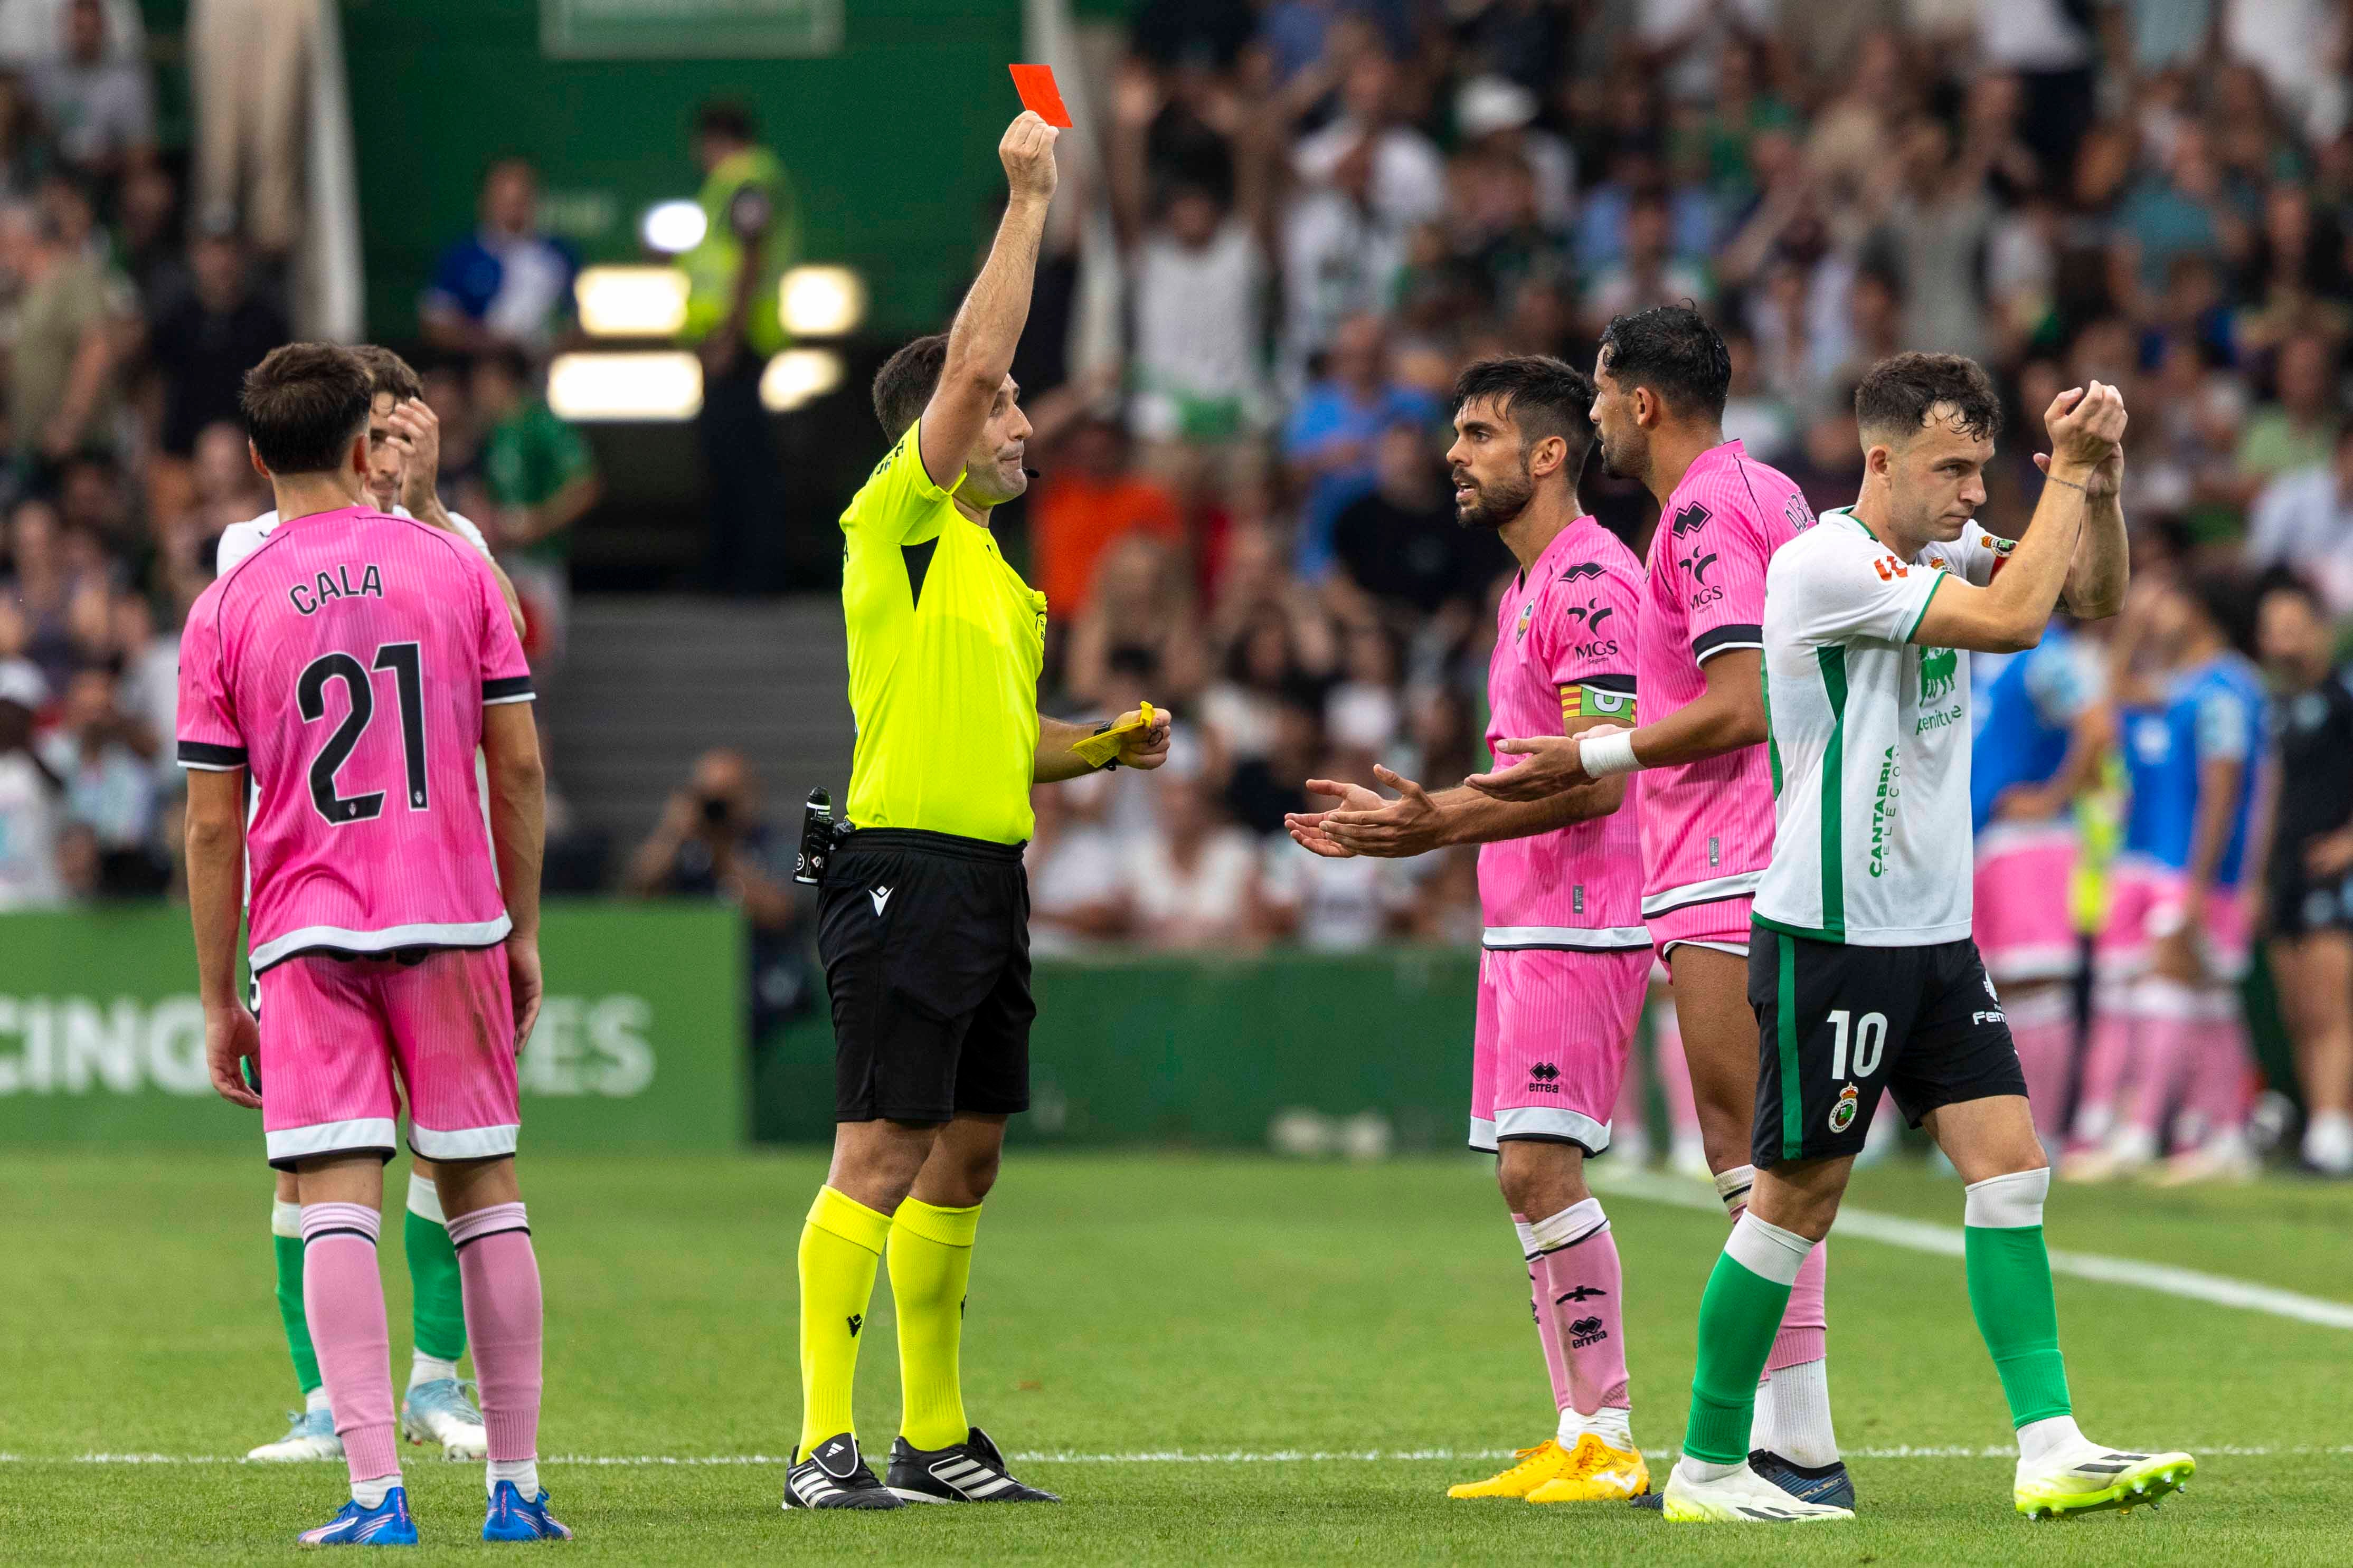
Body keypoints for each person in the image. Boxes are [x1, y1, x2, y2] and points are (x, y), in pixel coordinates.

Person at [1659, 356, 2186, 1524]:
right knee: (1792, 1203)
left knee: (2009, 1172)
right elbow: (2010, 622)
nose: (1967, 492)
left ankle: (2047, 1443)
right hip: (1832, 931)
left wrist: (2091, 490)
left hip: (1933, 935)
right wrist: (2071, 483)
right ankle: (1704, 1465)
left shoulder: (1943, 549)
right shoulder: (1823, 565)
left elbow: (2087, 597)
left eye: (1982, 470)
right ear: (1879, 457)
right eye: (1949, 469)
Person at [786, 111, 1171, 1512]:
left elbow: (1001, 748)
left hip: (982, 875)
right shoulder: (900, 517)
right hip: (899, 871)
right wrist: (1029, 202)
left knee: (965, 1154)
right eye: (1006, 408)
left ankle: (932, 1437)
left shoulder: (1002, 584)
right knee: (880, 1151)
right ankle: (822, 1443)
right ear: (941, 431)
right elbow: (973, 361)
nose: (1021, 421)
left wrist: (1102, 748)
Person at [178, 342, 566, 1543]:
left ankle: (372, 1493)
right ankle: (516, 1487)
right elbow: (518, 763)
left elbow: (208, 819)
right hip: (451, 914)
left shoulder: (227, 597)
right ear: (366, 445)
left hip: (304, 932)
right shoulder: (454, 568)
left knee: (335, 1197)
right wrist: (522, 928)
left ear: (255, 455)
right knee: (483, 1193)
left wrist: (215, 996)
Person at [1462, 306, 1849, 1509]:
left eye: (1596, 396)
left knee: (1757, 1161)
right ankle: (1788, 1441)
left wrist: (1596, 756)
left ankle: (1789, 1445)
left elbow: (1736, 700)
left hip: (1725, 860)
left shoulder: (1692, 513)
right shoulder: (1773, 493)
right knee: (1762, 1157)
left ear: (1637, 402)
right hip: (1763, 852)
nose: (1588, 420)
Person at [1287, 355, 1656, 1503]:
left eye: (1478, 433)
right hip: (1525, 917)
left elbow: (1599, 778)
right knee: (1521, 1178)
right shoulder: (1526, 588)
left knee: (1542, 1166)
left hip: (1583, 915)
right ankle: (1576, 1427)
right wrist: (1449, 831)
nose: (1452, 453)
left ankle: (1610, 1434)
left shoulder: (1593, 580)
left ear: (1549, 454)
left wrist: (1434, 821)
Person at [2067, 574, 2269, 1184]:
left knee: (2174, 993)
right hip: (2151, 860)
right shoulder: (2181, 687)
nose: (2157, 613)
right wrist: (2126, 628)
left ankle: (2142, 1130)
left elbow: (2223, 793)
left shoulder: (2226, 689)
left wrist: (2201, 889)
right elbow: (2110, 700)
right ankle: (2226, 1136)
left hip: (2196, 872)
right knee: (2206, 1001)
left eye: (2170, 599)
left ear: (2202, 611)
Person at [1969, 619, 2107, 1151]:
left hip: (2029, 839)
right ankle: (2000, 1135)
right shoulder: (1986, 649)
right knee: (1996, 986)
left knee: (2035, 985)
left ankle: (2040, 1133)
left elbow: (2096, 727)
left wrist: (2051, 797)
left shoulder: (2047, 654)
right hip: (1985, 836)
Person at [2253, 574, 2353, 1175]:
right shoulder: (2277, 706)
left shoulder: (2342, 695)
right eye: (2272, 630)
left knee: (2327, 1007)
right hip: (2286, 871)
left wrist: (2347, 842)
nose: (2281, 641)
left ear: (2318, 628)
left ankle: (2331, 1126)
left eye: (2292, 627)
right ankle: (2319, 1120)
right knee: (2294, 1009)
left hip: (2328, 873)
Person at [679, 98, 795, 592]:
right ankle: (732, 570)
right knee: (731, 457)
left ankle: (753, 573)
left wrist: (729, 333)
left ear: (714, 140)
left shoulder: (747, 179)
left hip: (739, 343)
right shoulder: (739, 182)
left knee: (743, 463)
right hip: (729, 341)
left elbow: (750, 257)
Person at [622, 747, 807, 1043]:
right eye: (707, 797)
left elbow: (780, 913)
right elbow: (637, 895)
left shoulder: (774, 844)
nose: (716, 808)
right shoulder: (684, 846)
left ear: (749, 796)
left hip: (759, 977)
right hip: (691, 976)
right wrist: (672, 832)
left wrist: (724, 852)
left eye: (726, 796)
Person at [420, 158, 578, 354]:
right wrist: (490, 346)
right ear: (484, 202)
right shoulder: (460, 255)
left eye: (521, 201)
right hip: (472, 366)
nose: (513, 211)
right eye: (504, 201)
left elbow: (576, 326)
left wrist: (547, 351)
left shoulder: (560, 256)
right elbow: (436, 324)